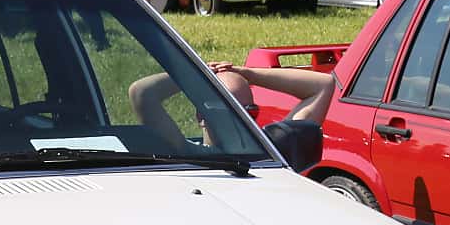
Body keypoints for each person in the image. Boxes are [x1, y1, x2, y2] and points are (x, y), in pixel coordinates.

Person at [128, 60, 333, 164]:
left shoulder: (270, 153)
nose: (241, 121)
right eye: (229, 112)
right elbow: (141, 93)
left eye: (249, 112)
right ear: (201, 117)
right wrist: (196, 73)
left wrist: (248, 74)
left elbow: (323, 85)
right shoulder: (185, 153)